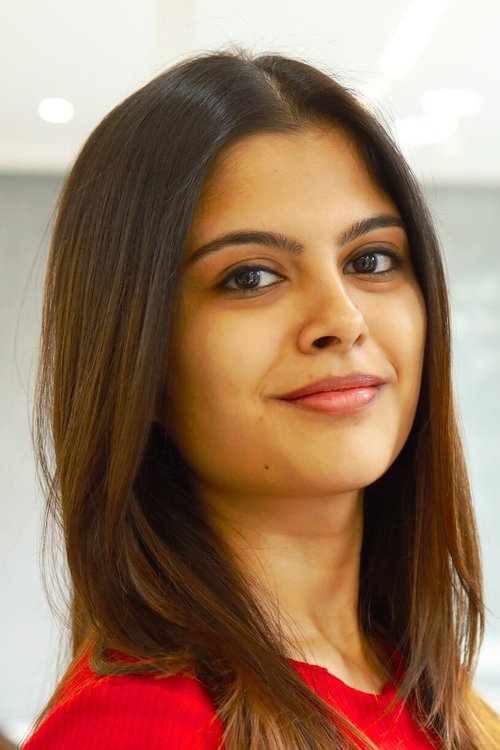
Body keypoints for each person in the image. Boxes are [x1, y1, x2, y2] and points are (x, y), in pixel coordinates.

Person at [22, 45, 499, 750]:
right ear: (140, 359)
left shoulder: (441, 699)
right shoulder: (134, 726)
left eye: (371, 259)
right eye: (250, 276)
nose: (343, 319)